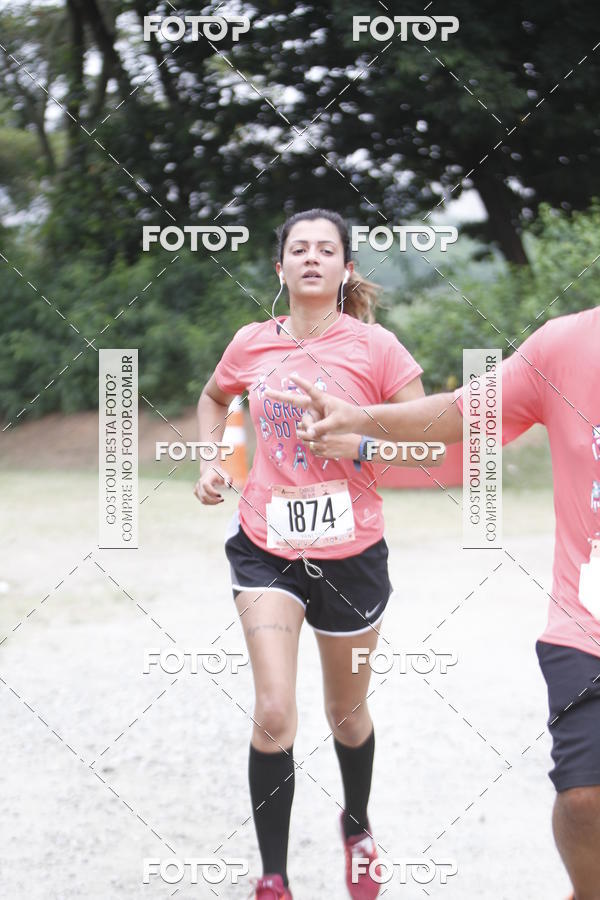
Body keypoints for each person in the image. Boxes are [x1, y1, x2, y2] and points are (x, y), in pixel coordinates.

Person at [265, 306, 600, 900]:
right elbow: (457, 412)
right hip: (585, 622)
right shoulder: (566, 345)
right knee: (581, 798)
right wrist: (361, 421)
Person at [194, 208, 444, 900]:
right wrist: (215, 460)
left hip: (351, 554)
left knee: (346, 713)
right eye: (298, 249)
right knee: (274, 710)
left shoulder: (377, 349)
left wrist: (357, 442)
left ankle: (356, 827)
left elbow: (428, 444)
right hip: (265, 548)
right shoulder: (251, 342)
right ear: (279, 268)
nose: (311, 257)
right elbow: (214, 399)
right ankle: (273, 878)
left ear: (346, 268)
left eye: (325, 249)